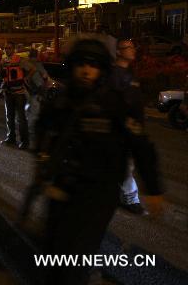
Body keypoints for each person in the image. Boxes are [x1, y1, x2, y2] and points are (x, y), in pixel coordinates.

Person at [33, 38, 163, 284]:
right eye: (81, 63)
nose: (86, 70)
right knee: (53, 248)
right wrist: (43, 161)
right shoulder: (61, 100)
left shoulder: (114, 103)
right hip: (63, 186)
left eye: (93, 65)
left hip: (99, 192)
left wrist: (153, 188)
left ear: (102, 68)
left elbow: (140, 145)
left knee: (77, 252)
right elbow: (42, 130)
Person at [109, 39, 147, 215]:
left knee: (123, 165)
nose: (133, 50)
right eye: (128, 48)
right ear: (118, 52)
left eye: (133, 47)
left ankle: (118, 195)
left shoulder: (129, 73)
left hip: (132, 128)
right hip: (122, 129)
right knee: (127, 165)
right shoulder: (115, 74)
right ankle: (131, 199)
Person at [0, 41, 29, 149]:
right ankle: (11, 138)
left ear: (14, 49)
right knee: (9, 117)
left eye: (9, 48)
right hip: (8, 92)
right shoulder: (3, 61)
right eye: (5, 48)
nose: (7, 50)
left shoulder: (20, 60)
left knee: (21, 118)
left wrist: (24, 78)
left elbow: (32, 70)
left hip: (19, 93)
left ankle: (24, 141)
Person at [22, 48, 48, 149]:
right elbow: (44, 77)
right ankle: (32, 137)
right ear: (36, 55)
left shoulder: (26, 63)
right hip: (35, 92)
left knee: (27, 112)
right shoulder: (38, 65)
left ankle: (27, 134)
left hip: (26, 91)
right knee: (34, 114)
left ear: (29, 55)